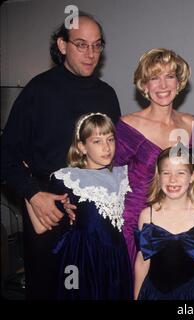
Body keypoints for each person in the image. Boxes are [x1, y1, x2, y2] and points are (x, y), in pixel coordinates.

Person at [0, 12, 121, 299]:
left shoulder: (108, 94)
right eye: (81, 44)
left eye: (97, 45)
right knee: (51, 288)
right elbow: (6, 154)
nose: (91, 53)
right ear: (62, 45)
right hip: (48, 211)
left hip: (95, 216)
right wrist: (33, 194)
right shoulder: (38, 91)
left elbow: (117, 157)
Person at [29, 113, 133, 299]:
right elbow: (39, 226)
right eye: (97, 141)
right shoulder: (68, 179)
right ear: (82, 146)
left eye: (110, 139)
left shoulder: (123, 175)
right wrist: (28, 189)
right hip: (81, 260)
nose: (106, 147)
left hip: (116, 258)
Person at [113, 48, 194, 267]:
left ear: (179, 82)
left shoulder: (192, 124)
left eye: (170, 76)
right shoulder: (127, 126)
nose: (163, 85)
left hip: (181, 225)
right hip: (138, 226)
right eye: (154, 78)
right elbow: (104, 175)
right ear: (144, 85)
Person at [134, 146, 194, 300]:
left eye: (180, 172)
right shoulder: (147, 216)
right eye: (166, 173)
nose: (173, 179)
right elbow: (142, 261)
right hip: (154, 294)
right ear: (158, 176)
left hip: (192, 295)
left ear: (192, 176)